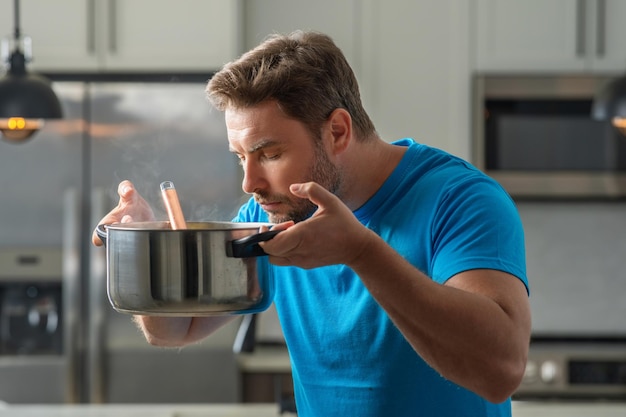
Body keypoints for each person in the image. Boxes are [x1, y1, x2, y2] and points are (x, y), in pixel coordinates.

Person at [93, 31, 530, 417]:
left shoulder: (460, 200)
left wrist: (361, 251)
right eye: (240, 157)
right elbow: (175, 330)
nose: (250, 183)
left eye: (269, 153)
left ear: (338, 131)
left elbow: (500, 372)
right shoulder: (271, 214)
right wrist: (144, 251)